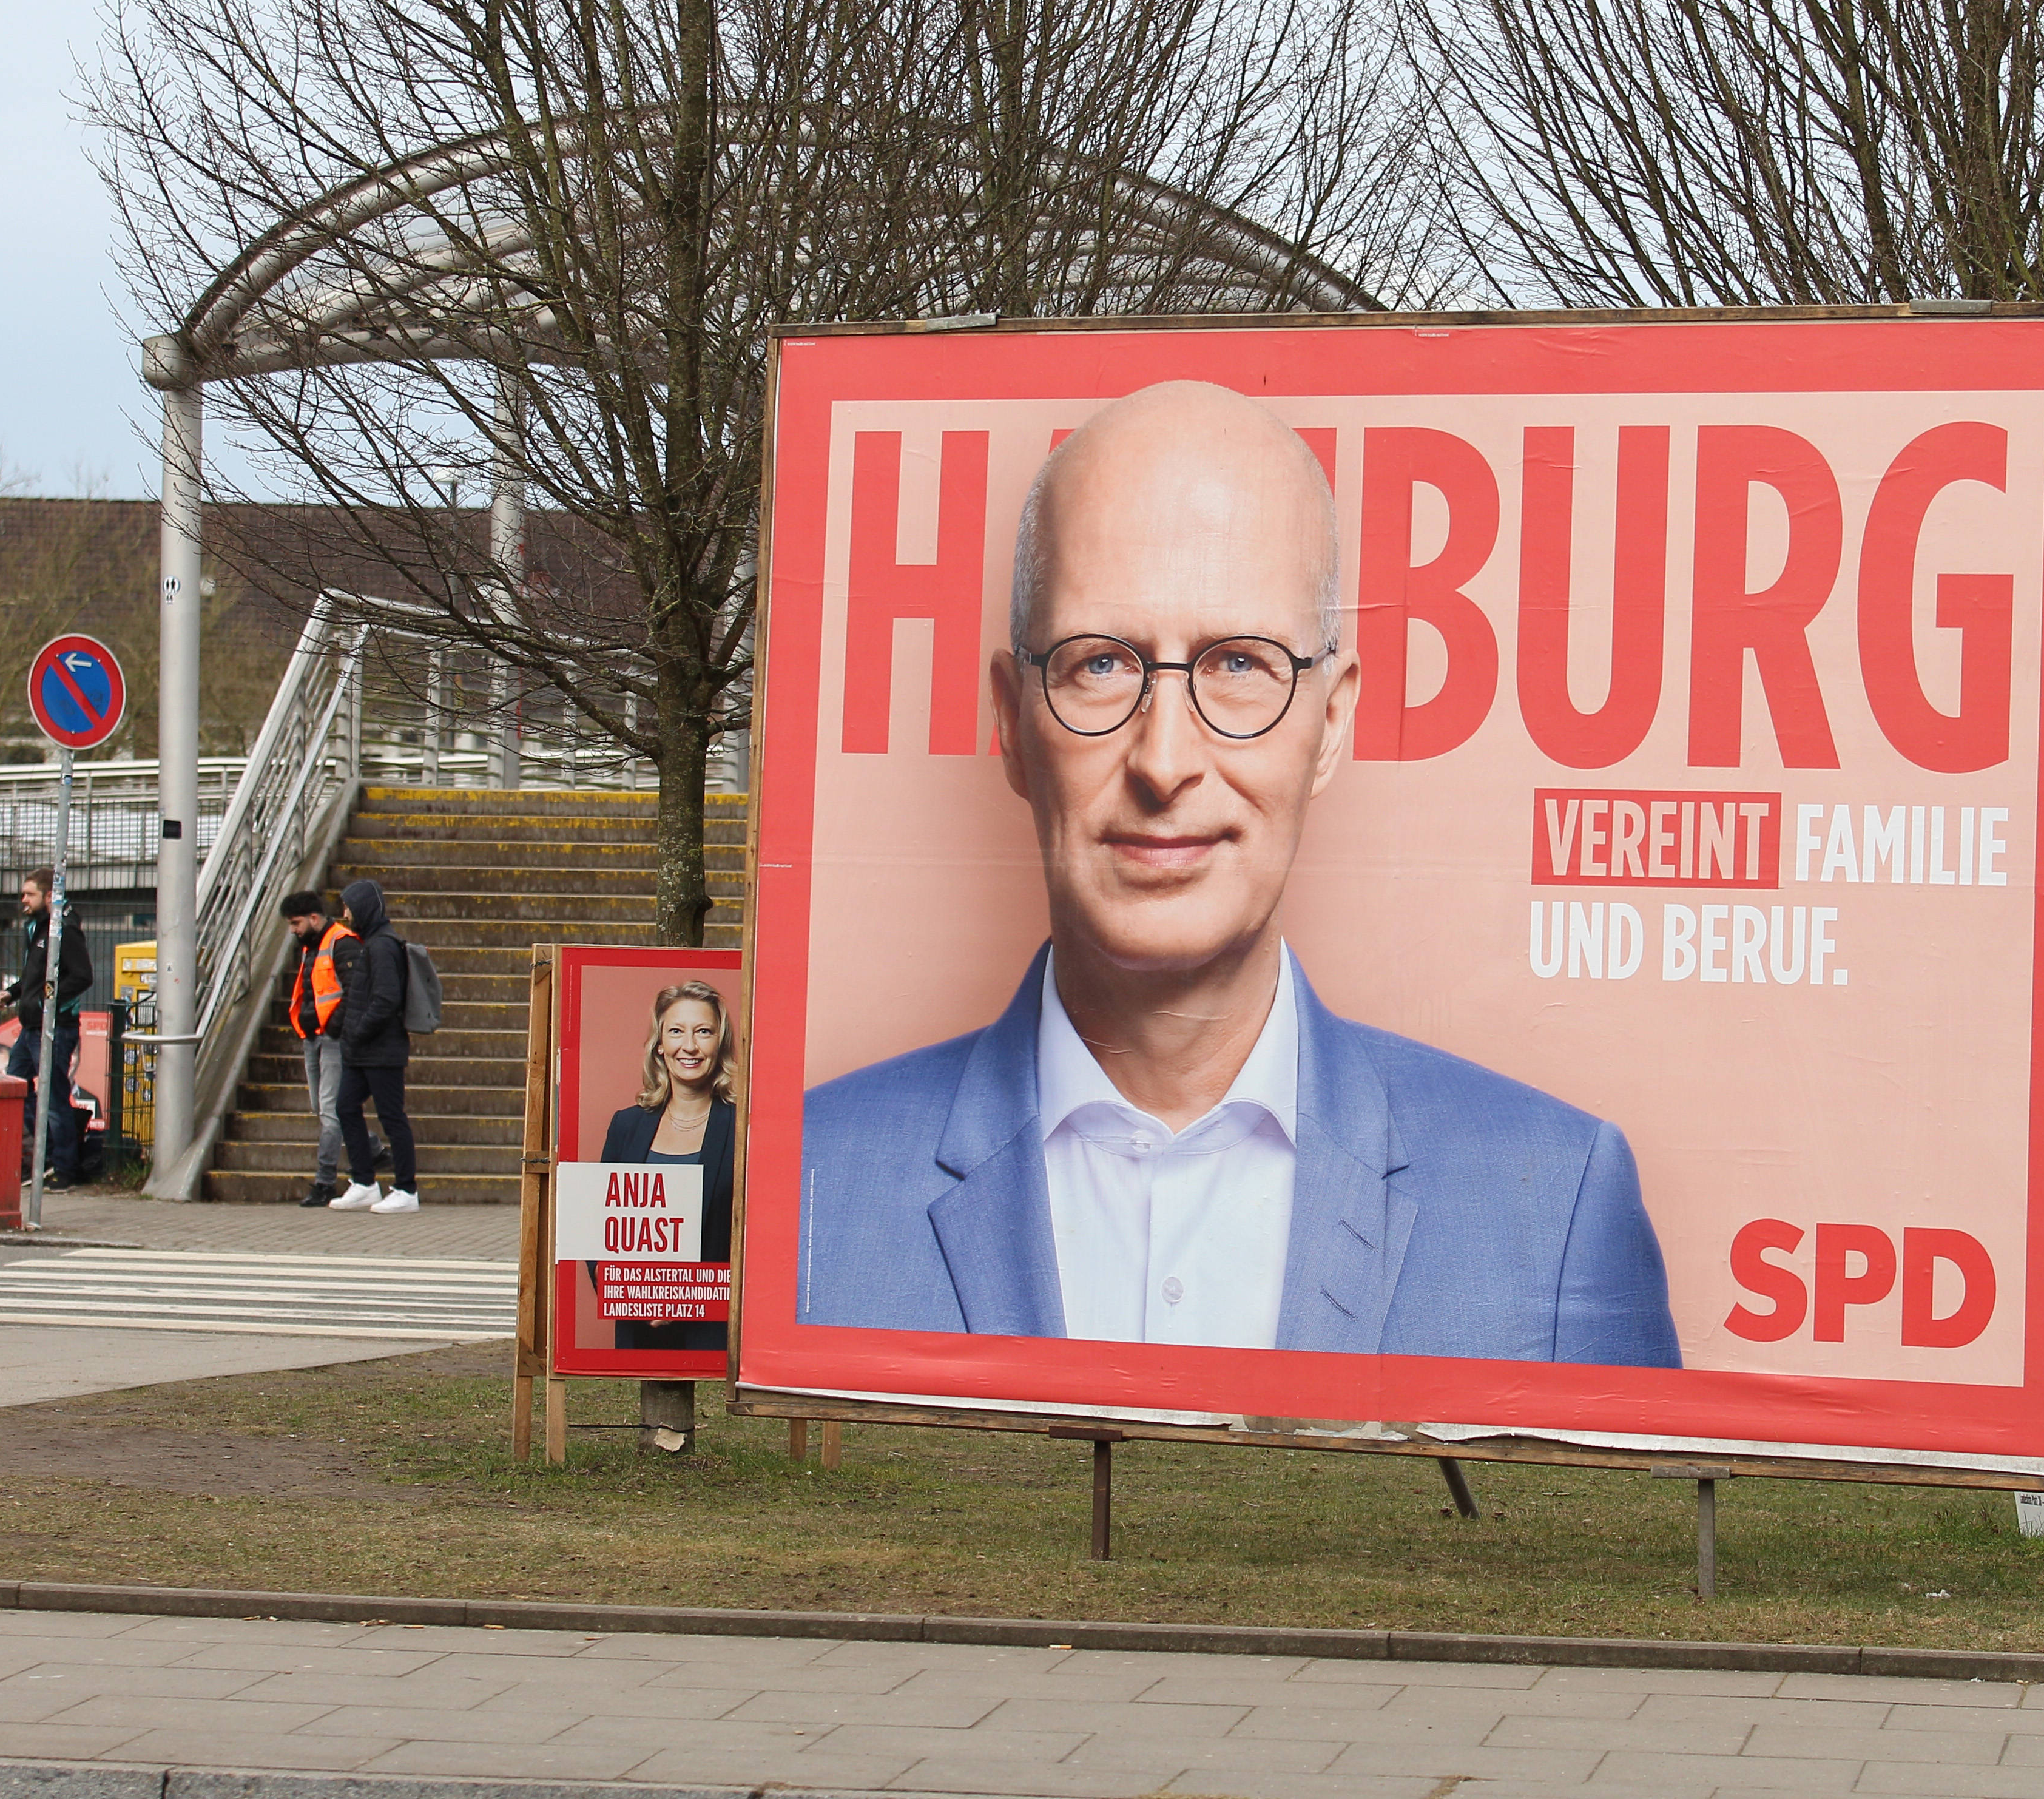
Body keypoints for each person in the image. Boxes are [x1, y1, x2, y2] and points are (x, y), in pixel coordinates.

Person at [797, 380, 1681, 1367]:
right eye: (1101, 664)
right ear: (1012, 723)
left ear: (1331, 725)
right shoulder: (802, 1190)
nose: (1164, 760)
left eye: (1238, 663)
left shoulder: (1557, 1205)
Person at [597, 980, 738, 1351]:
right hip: (640, 1323)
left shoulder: (746, 1130)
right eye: (676, 1032)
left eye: (703, 1032)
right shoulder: (627, 1125)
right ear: (660, 1044)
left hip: (716, 1328)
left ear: (719, 1044)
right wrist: (631, 1295)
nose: (689, 1046)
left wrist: (687, 1295)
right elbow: (601, 1227)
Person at [324, 879, 420, 1215]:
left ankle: (407, 1189)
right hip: (365, 1050)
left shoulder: (382, 946)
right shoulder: (373, 943)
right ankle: (364, 1183)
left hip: (380, 1049)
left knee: (392, 1117)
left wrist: (358, 1032)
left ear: (363, 908)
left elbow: (385, 999)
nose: (345, 914)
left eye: (349, 907)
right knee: (346, 1107)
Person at [0, 866, 90, 1188]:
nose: (23, 899)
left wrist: (48, 1002)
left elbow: (81, 976)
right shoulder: (36, 927)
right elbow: (37, 976)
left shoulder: (65, 929)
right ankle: (45, 1158)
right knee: (16, 1088)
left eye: (29, 894)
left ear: (49, 895)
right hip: (31, 1027)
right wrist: (14, 992)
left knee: (52, 1098)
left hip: (55, 1027)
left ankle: (65, 1171)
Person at [281, 891, 363, 1207]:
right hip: (313, 1036)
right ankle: (371, 1151)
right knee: (323, 1107)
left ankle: (325, 1182)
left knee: (329, 1110)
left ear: (314, 918)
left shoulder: (340, 942)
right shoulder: (313, 945)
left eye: (296, 923)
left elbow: (353, 989)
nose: (293, 930)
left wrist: (333, 1026)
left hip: (330, 1038)